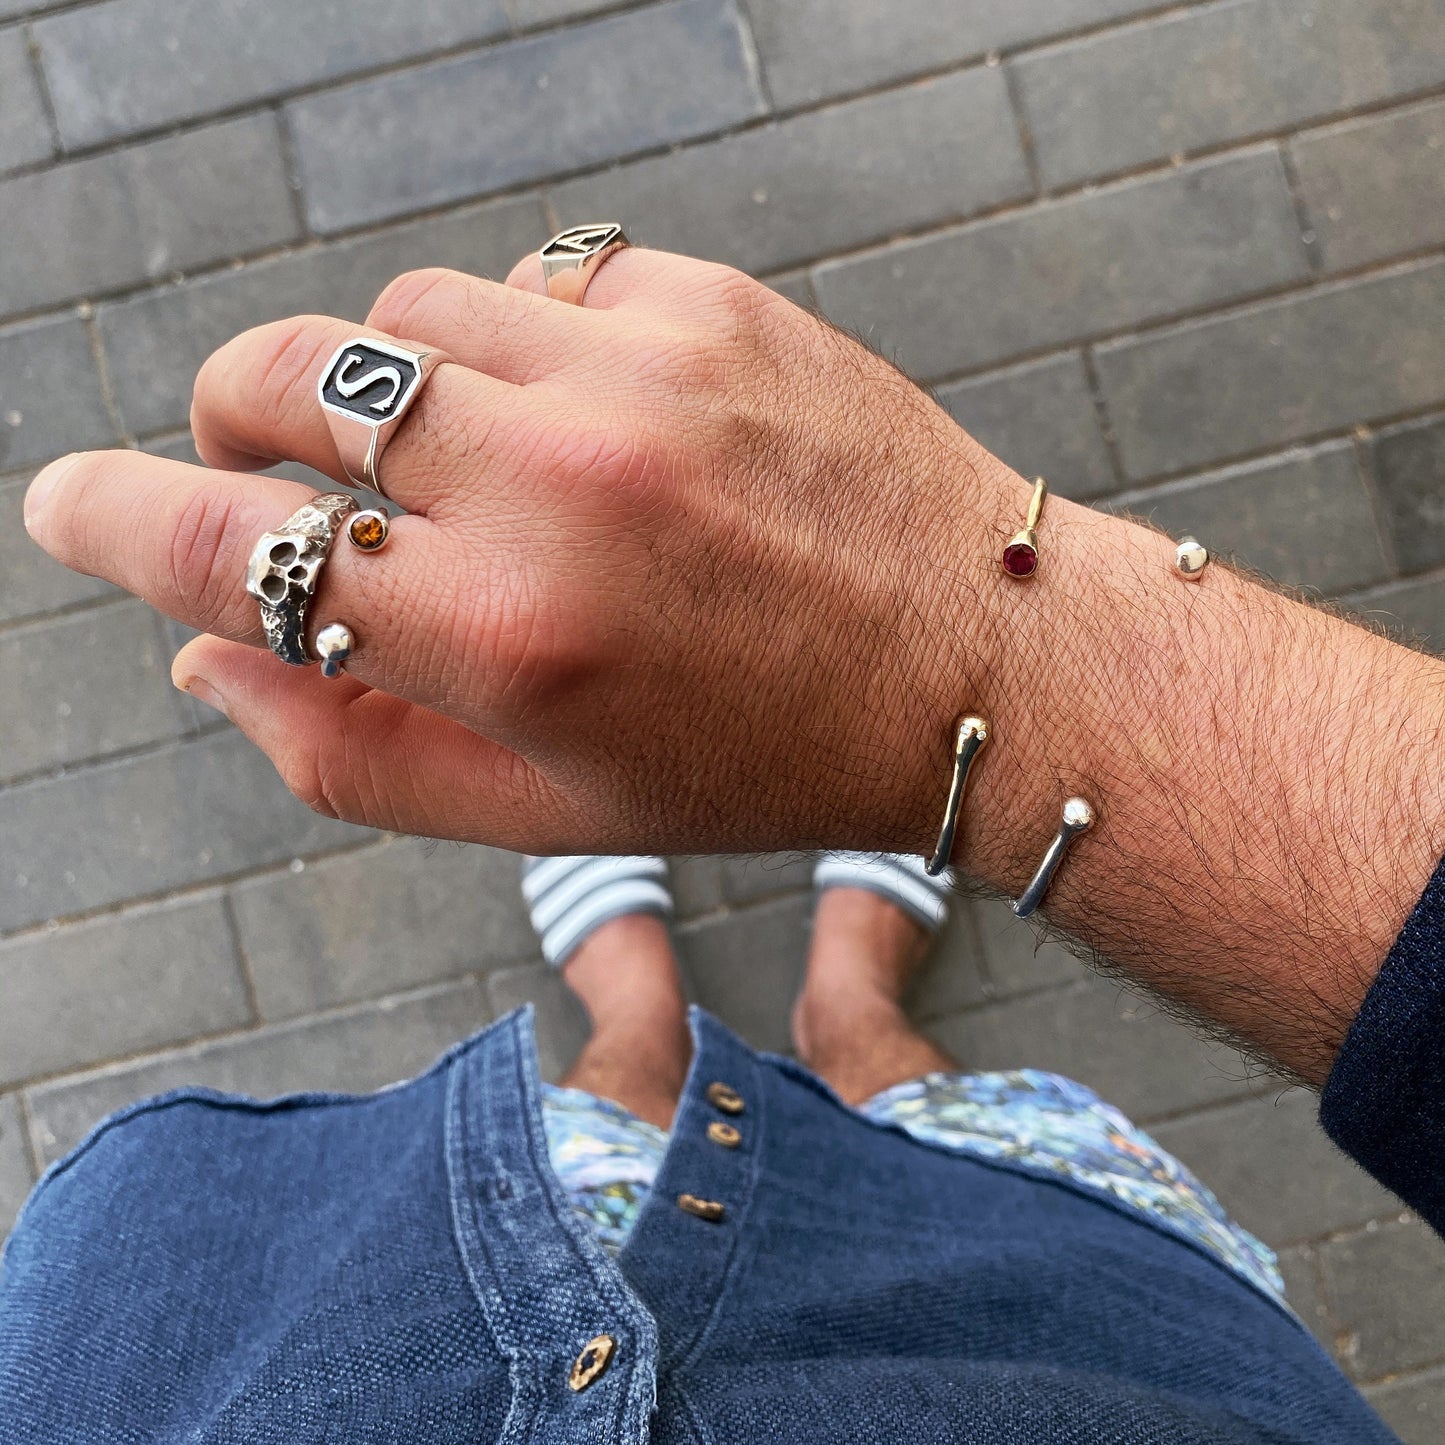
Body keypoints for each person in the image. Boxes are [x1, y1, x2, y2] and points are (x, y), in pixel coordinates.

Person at [4, 240, 1442, 1441]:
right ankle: (849, 998)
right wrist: (1018, 668)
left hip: (405, 1240)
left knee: (603, 1100)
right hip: (1086, 1305)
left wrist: (1012, 670)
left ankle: (638, 999)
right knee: (926, 1111)